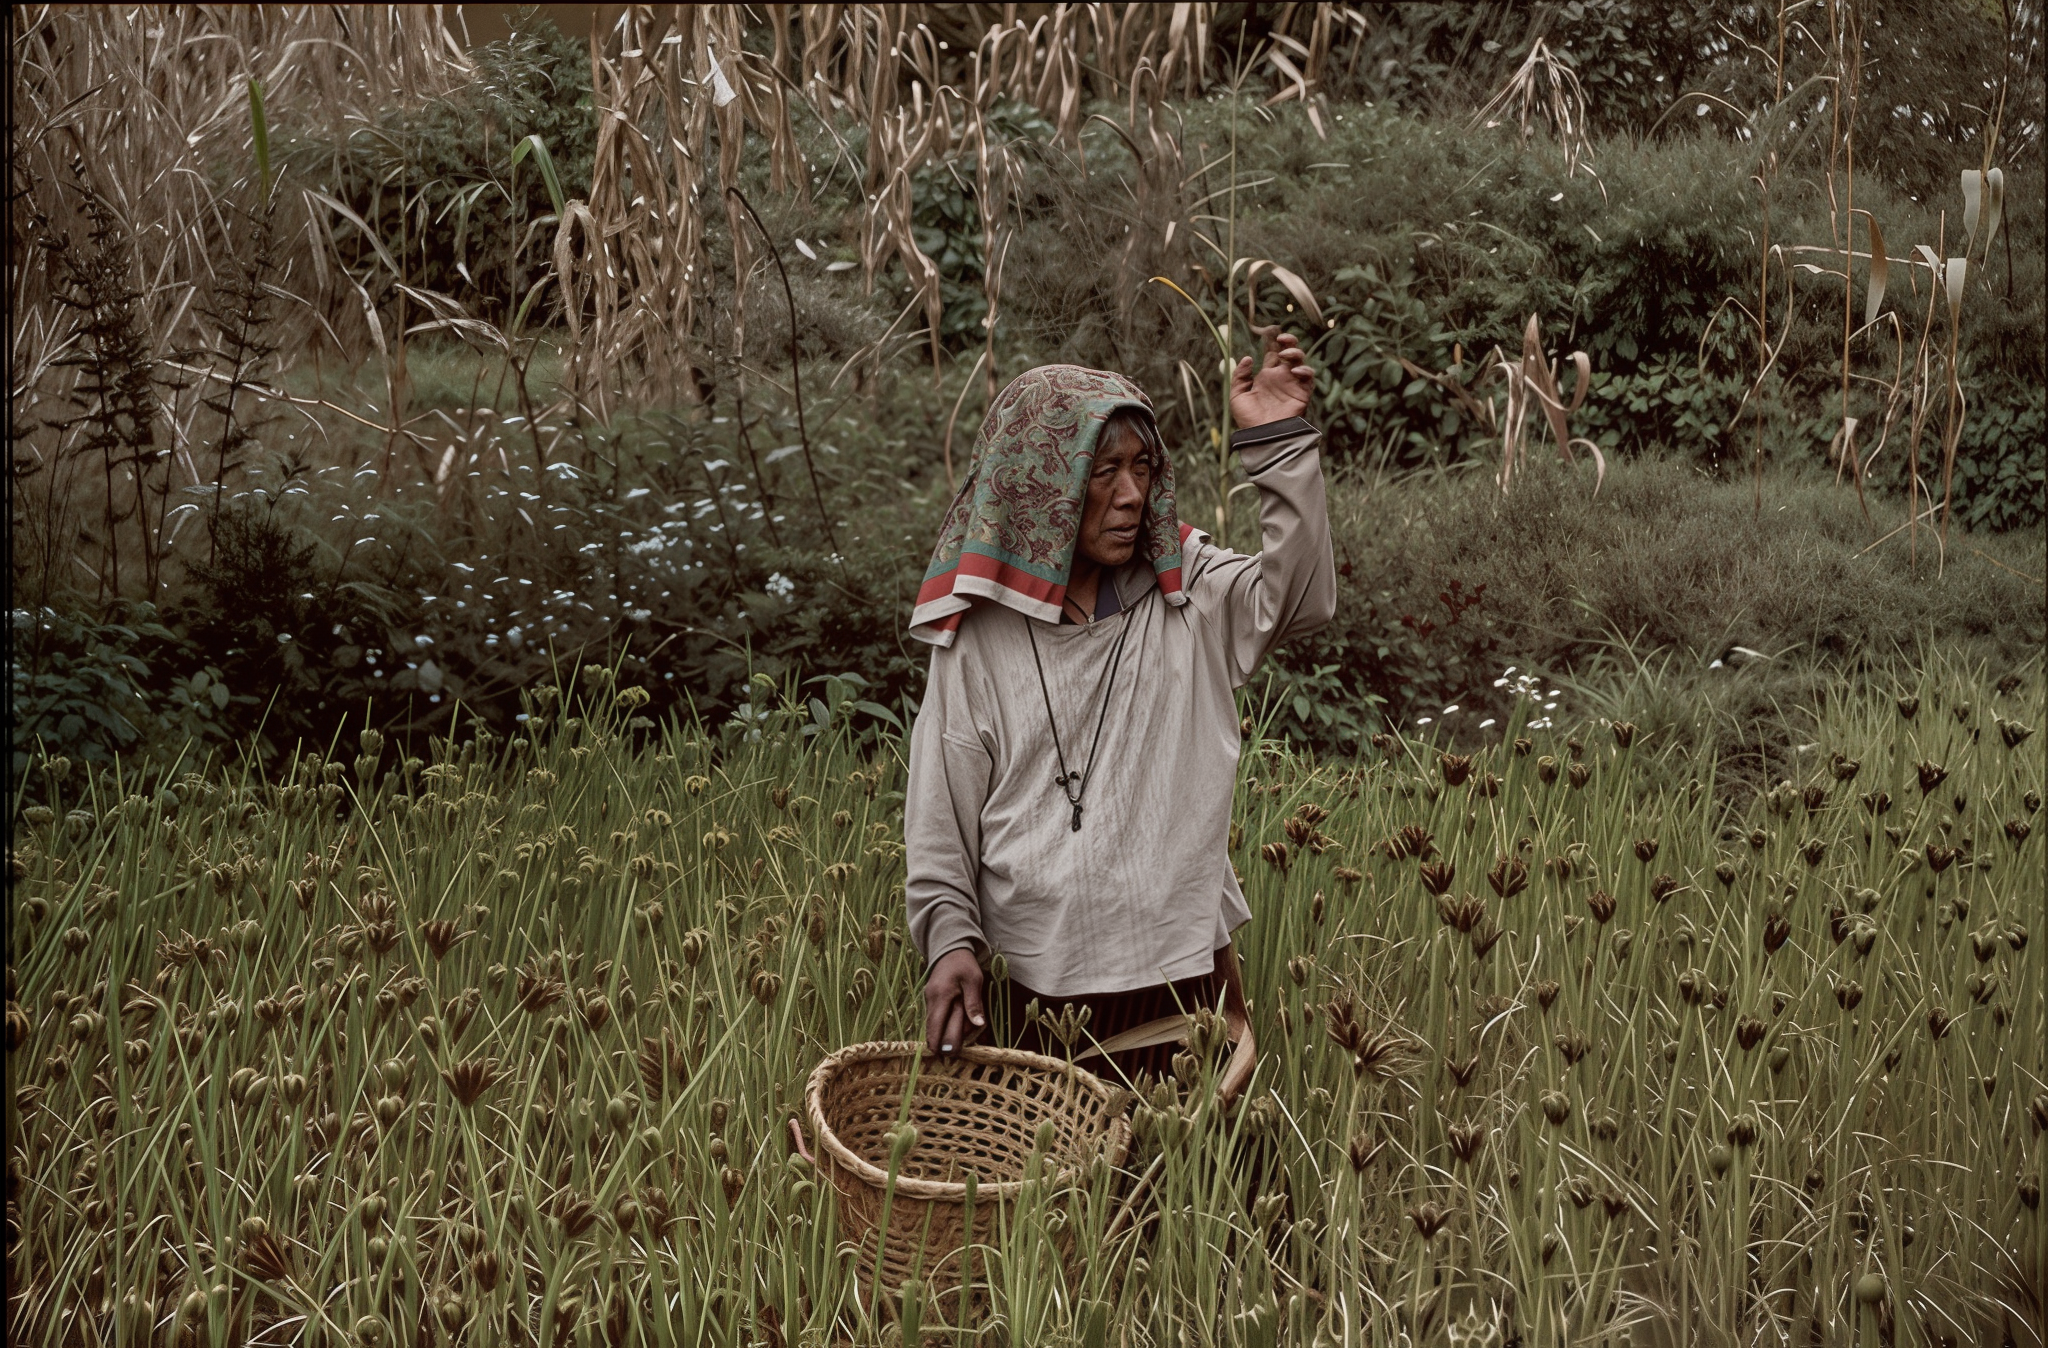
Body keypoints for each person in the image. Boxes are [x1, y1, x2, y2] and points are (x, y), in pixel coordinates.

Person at [903, 332, 1332, 1081]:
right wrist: (948, 941)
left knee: (1204, 1157)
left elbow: (1299, 599)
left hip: (1180, 977)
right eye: (1103, 472)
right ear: (1042, 488)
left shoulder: (1186, 591)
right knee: (1057, 1162)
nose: (1132, 494)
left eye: (1142, 468)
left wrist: (1279, 448)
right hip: (1031, 991)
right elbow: (940, 824)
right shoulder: (978, 641)